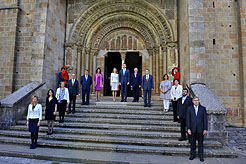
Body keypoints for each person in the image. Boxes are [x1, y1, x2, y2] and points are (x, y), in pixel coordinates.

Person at [187, 97, 208, 162]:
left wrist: (205, 129)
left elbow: (205, 119)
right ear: (193, 101)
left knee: (200, 143)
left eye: (197, 100)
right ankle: (192, 154)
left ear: (199, 101)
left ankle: (201, 155)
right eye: (194, 100)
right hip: (192, 129)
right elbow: (188, 119)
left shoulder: (203, 108)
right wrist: (188, 128)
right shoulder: (189, 108)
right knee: (192, 143)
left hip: (200, 129)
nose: (196, 101)